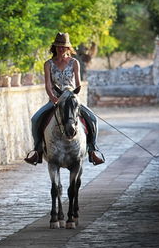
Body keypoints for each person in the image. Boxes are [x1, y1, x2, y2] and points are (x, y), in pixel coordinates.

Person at [24, 32, 105, 166]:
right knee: (35, 119)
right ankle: (37, 151)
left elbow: (78, 84)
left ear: (68, 48)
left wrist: (74, 96)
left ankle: (92, 150)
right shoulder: (48, 64)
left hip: (71, 100)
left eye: (63, 47)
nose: (61, 49)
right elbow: (48, 85)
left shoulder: (74, 63)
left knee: (93, 119)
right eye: (58, 46)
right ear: (54, 47)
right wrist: (53, 98)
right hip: (55, 99)